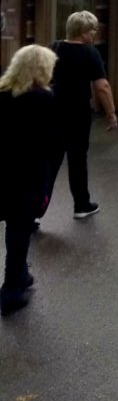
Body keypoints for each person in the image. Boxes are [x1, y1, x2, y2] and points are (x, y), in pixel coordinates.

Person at [0, 44, 57, 317]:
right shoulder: (43, 99)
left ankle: (21, 276)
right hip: (29, 174)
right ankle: (11, 290)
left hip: (3, 171)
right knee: (19, 230)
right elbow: (52, 143)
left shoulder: (2, 93)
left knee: (15, 227)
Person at [46, 10, 118, 221]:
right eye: (93, 29)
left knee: (51, 159)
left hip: (53, 109)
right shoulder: (90, 53)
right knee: (77, 159)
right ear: (84, 32)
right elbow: (102, 86)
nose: (95, 33)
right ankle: (81, 204)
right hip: (77, 112)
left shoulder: (53, 47)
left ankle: (34, 210)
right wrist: (111, 114)